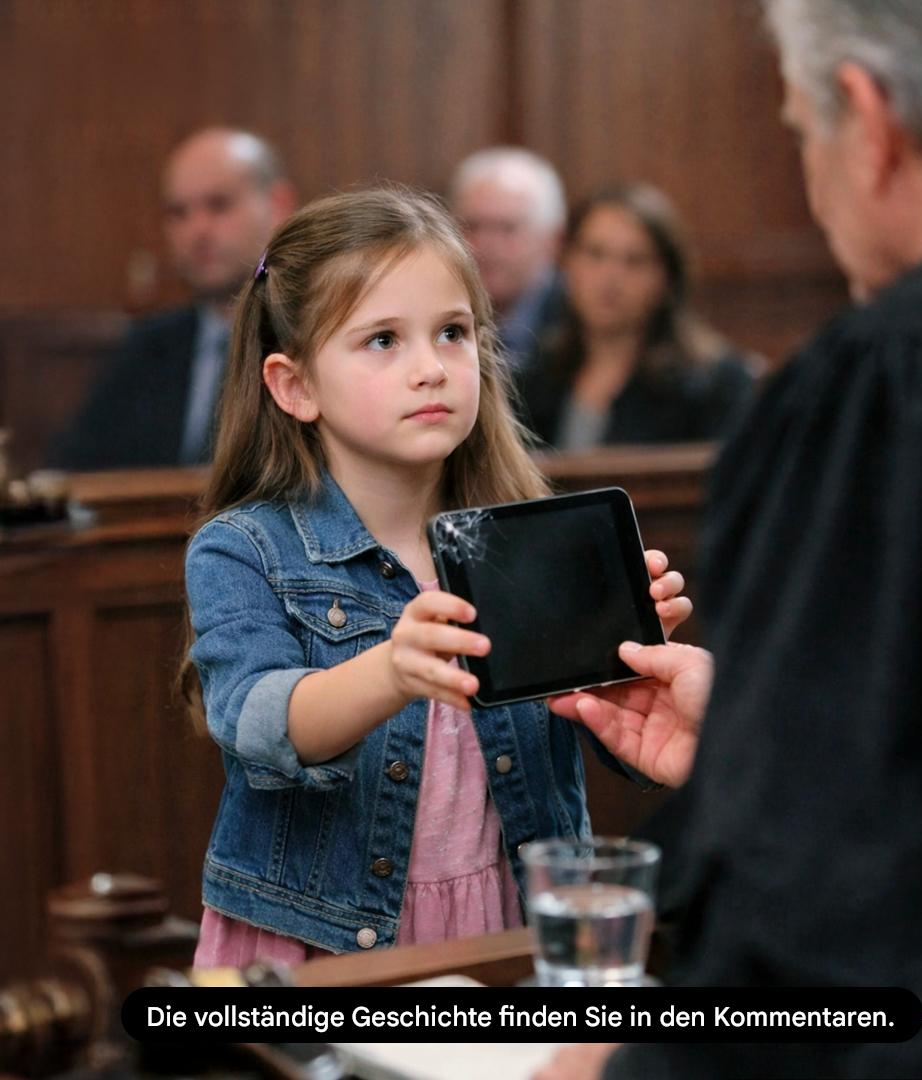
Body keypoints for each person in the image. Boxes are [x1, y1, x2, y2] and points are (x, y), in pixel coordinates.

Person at [535, 0, 922, 1076]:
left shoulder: (905, 372)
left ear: (868, 123)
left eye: (799, 131)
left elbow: (824, 902)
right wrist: (742, 741)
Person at [180, 187, 691, 965]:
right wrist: (391, 670)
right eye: (383, 340)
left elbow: (607, 744)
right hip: (324, 941)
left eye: (453, 332)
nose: (430, 369)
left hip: (507, 918)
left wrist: (622, 669)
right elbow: (257, 724)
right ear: (295, 385)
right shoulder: (244, 547)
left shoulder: (525, 538)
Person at [52, 127, 296, 469]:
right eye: (179, 212)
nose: (197, 230)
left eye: (218, 205)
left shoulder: (309, 334)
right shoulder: (147, 346)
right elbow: (74, 470)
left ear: (278, 206)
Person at [518, 183, 754, 450]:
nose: (610, 278)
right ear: (567, 262)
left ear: (667, 278)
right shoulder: (534, 375)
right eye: (595, 254)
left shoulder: (714, 384)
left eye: (634, 260)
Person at [448, 146, 567, 371]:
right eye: (472, 226)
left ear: (552, 240)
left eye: (507, 228)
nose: (485, 245)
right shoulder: (436, 314)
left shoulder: (582, 322)